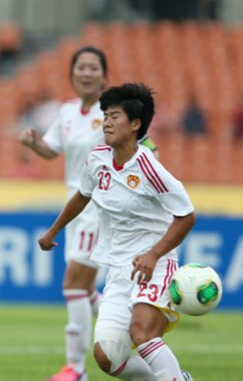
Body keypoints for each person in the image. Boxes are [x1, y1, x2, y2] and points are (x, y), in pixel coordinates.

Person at [19, 47, 160, 381]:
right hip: (76, 201)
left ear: (103, 75)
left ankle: (76, 368)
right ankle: (127, 331)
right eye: (80, 67)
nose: (86, 72)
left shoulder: (112, 114)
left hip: (100, 205)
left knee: (73, 284)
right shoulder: (67, 112)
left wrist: (151, 173)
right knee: (86, 290)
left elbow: (147, 147)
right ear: (72, 74)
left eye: (93, 67)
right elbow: (53, 150)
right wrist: (33, 143)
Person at [39, 83, 195, 381]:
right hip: (119, 270)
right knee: (107, 357)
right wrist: (54, 230)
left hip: (154, 266)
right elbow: (83, 195)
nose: (106, 122)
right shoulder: (97, 159)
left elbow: (186, 216)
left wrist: (154, 254)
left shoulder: (149, 168)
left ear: (135, 124)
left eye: (114, 116)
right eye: (105, 116)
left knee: (143, 333)